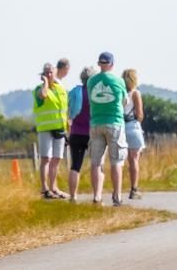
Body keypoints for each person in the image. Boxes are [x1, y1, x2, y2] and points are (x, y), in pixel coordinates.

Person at [87, 52, 127, 205]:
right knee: (116, 161)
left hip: (96, 122)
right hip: (114, 122)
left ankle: (97, 196)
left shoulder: (91, 81)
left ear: (99, 64)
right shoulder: (118, 80)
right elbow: (124, 100)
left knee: (96, 162)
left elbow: (91, 99)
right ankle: (117, 197)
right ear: (112, 64)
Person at [33, 62, 69, 198]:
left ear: (55, 73)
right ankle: (45, 188)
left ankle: (54, 187)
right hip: (45, 129)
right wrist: (45, 83)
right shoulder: (39, 89)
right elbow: (43, 95)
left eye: (51, 72)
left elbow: (64, 107)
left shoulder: (61, 88)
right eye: (46, 72)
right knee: (45, 158)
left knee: (57, 158)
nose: (49, 74)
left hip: (59, 128)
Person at [66, 66, 93, 201]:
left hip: (76, 133)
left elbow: (68, 110)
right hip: (92, 134)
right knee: (96, 166)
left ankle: (73, 196)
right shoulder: (94, 94)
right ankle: (97, 196)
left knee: (75, 166)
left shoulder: (74, 92)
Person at [121, 68, 145, 198]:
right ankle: (134, 188)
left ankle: (118, 189)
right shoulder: (135, 94)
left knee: (120, 160)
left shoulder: (121, 93)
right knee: (134, 159)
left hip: (121, 126)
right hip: (133, 126)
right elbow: (140, 114)